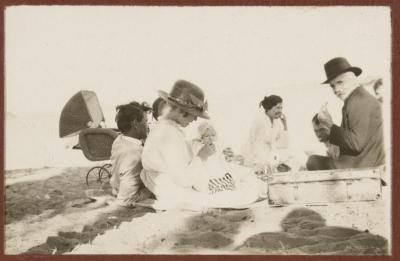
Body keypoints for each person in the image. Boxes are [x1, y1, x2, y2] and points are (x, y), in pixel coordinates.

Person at [140, 80, 265, 210]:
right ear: (180, 111)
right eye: (193, 115)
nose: (195, 120)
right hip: (174, 191)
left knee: (241, 175)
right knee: (241, 194)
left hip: (168, 184)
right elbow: (184, 180)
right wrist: (201, 156)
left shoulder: (164, 129)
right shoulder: (169, 136)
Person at [313, 57, 385, 169]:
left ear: (353, 80)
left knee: (311, 161)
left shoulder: (358, 101)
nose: (336, 89)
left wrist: (330, 125)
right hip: (365, 163)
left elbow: (356, 144)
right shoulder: (356, 98)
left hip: (362, 167)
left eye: (340, 83)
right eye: (332, 86)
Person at [109, 102, 153, 207]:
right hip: (125, 192)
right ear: (135, 124)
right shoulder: (135, 155)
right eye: (146, 121)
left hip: (115, 185)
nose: (148, 126)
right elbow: (126, 199)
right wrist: (150, 190)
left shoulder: (119, 139)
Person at [241, 95, 294, 175]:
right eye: (277, 108)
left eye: (281, 108)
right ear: (269, 107)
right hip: (257, 157)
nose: (280, 111)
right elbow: (251, 142)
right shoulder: (259, 120)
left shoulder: (277, 123)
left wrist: (285, 124)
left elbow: (284, 144)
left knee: (294, 157)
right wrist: (252, 162)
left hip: (270, 156)